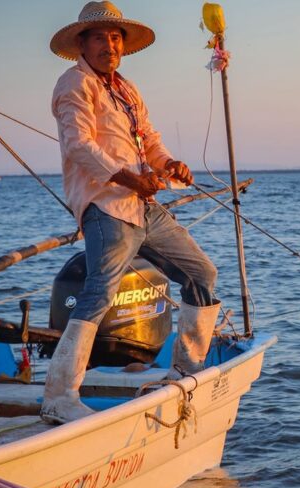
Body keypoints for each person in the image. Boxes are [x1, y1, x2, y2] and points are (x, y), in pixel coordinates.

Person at [43, 1, 220, 424]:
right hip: (106, 206)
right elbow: (79, 147)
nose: (111, 44)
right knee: (100, 290)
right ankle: (59, 396)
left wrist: (167, 165)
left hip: (144, 205)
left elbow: (149, 140)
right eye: (101, 36)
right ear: (81, 42)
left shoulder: (125, 87)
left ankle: (184, 371)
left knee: (201, 274)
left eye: (116, 37)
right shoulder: (74, 85)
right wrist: (129, 179)